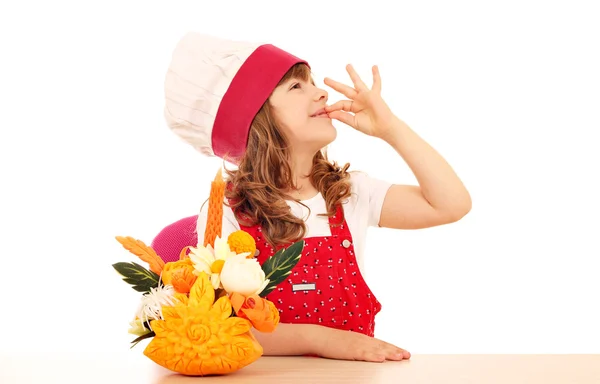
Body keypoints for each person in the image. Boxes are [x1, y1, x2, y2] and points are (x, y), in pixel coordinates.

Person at [163, 32, 471, 363]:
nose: (322, 93)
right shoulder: (227, 210)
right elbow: (220, 324)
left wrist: (390, 129)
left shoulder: (348, 194)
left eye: (313, 84)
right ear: (253, 119)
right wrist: (324, 340)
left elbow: (451, 204)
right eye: (297, 87)